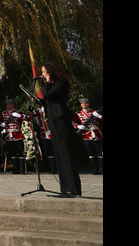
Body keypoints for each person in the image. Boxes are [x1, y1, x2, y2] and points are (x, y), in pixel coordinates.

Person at [39, 62, 82, 197]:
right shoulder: (53, 85)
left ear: (51, 72)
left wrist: (47, 82)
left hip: (61, 121)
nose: (43, 75)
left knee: (65, 153)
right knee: (59, 154)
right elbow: (46, 101)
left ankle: (73, 189)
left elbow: (48, 96)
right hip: (53, 122)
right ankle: (65, 188)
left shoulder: (61, 83)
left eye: (44, 72)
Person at [73, 97, 103, 175]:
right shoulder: (78, 114)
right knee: (90, 153)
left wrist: (99, 116)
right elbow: (73, 123)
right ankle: (94, 169)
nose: (84, 104)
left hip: (97, 134)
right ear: (81, 105)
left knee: (100, 153)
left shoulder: (94, 112)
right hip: (86, 135)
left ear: (89, 104)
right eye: (83, 103)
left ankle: (101, 169)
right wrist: (78, 126)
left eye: (86, 103)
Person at [0, 99, 26, 174]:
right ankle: (15, 168)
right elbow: (0, 121)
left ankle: (22, 169)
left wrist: (20, 116)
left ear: (13, 105)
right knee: (12, 152)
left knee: (20, 151)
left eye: (10, 104)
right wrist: (1, 124)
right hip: (8, 135)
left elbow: (27, 118)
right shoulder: (4, 113)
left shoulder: (18, 112)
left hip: (18, 135)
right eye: (7, 104)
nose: (8, 106)